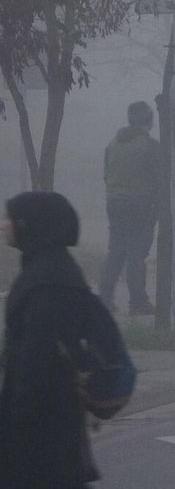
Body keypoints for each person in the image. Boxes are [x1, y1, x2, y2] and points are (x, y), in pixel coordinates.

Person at [0, 192, 102, 488]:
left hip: (42, 421)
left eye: (9, 219)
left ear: (29, 225)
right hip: (54, 417)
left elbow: (37, 359)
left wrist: (18, 423)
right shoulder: (50, 269)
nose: (4, 225)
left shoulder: (46, 281)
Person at [99, 100, 162, 315]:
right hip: (140, 205)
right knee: (136, 255)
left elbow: (106, 175)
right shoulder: (150, 146)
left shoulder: (112, 144)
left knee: (115, 251)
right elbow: (160, 179)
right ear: (150, 121)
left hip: (114, 203)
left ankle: (105, 297)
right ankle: (138, 301)